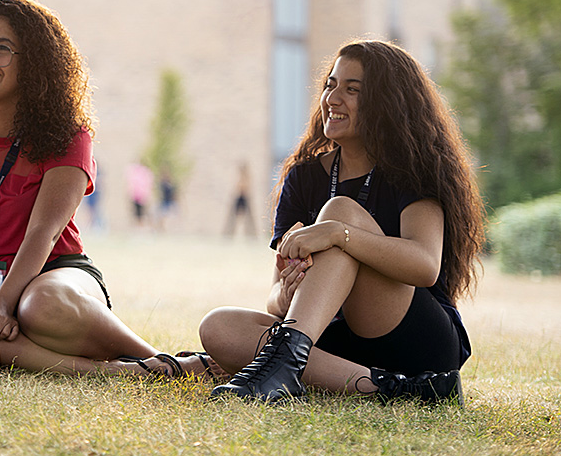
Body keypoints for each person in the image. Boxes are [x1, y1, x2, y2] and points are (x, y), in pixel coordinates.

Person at [0, 0, 216, 378]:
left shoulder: (68, 135)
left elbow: (44, 233)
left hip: (56, 278)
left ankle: (159, 361)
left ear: (34, 61)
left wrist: (5, 304)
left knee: (41, 306)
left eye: (1, 48)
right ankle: (112, 372)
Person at [200, 39, 484, 404]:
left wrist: (339, 234)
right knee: (220, 327)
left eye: (352, 90)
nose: (332, 99)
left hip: (416, 341)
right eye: (330, 85)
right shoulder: (303, 177)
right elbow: (275, 298)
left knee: (340, 211)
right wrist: (284, 296)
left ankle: (282, 367)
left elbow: (425, 265)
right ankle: (400, 389)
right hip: (335, 341)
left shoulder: (414, 171)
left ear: (388, 102)